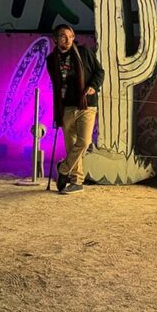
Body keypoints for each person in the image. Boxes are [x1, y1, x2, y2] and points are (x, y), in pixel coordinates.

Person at [45, 24, 104, 194]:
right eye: (63, 36)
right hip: (66, 107)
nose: (68, 39)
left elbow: (99, 72)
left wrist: (93, 86)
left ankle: (63, 169)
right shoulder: (51, 60)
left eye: (70, 36)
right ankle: (77, 181)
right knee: (71, 147)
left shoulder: (83, 52)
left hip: (86, 104)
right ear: (55, 39)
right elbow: (58, 85)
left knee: (84, 142)